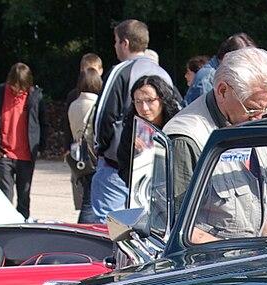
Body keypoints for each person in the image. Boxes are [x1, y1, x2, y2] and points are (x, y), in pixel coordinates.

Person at [163, 47, 267, 241]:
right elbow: (175, 227)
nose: (259, 118)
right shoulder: (186, 140)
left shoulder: (254, 120)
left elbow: (266, 205)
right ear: (222, 91)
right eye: (252, 109)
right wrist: (239, 255)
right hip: (210, 258)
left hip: (253, 255)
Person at [89, 19, 172, 221]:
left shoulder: (120, 71)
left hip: (117, 165)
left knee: (109, 225)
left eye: (116, 41)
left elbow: (104, 116)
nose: (115, 46)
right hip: (156, 168)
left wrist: (101, 149)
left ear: (124, 43)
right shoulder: (163, 73)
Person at [0, 62, 46, 220]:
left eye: (21, 88)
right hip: (4, 154)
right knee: (5, 196)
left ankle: (22, 226)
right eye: (14, 86)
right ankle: (4, 225)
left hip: (26, 155)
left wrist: (40, 147)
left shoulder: (35, 96)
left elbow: (43, 123)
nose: (17, 90)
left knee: (24, 196)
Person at [116, 74, 181, 187]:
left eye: (149, 100)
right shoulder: (132, 127)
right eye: (138, 101)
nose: (144, 108)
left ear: (162, 99)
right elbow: (124, 168)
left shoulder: (177, 125)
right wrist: (140, 159)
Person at [182, 32, 257, 106]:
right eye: (241, 62)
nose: (245, 68)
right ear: (226, 57)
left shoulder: (221, 74)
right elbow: (206, 111)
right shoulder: (207, 79)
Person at [67, 68, 102, 222]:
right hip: (93, 156)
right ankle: (84, 228)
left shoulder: (73, 104)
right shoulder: (96, 105)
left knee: (87, 195)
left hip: (79, 156)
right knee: (90, 200)